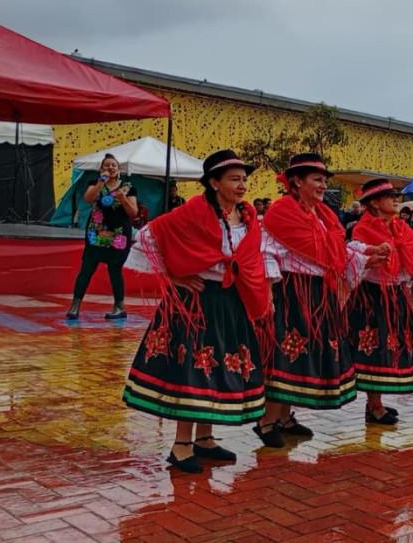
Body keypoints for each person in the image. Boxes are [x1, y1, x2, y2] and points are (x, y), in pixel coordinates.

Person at [121, 149, 271, 473]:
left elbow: (253, 259)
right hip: (197, 303)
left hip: (230, 303)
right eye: (234, 179)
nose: (242, 185)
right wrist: (173, 276)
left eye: (244, 179)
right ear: (214, 183)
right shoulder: (192, 214)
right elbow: (148, 236)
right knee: (193, 371)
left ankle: (205, 439)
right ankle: (181, 445)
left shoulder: (247, 218)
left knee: (215, 371)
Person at [255, 153, 385, 448]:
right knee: (286, 353)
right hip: (291, 291)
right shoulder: (281, 213)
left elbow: (333, 254)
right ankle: (267, 420)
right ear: (297, 182)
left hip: (318, 292)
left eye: (325, 179)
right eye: (317, 179)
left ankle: (285, 417)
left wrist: (366, 256)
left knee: (304, 354)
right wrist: (268, 294)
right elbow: (266, 254)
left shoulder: (323, 216)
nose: (323, 185)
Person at [345, 178, 413, 424]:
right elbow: (356, 251)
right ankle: (374, 405)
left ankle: (376, 403)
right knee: (375, 348)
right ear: (374, 203)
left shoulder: (401, 228)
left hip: (396, 294)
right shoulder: (363, 228)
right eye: (389, 196)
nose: (395, 199)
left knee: (389, 347)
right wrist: (372, 255)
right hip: (372, 295)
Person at [66, 153, 138, 320]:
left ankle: (119, 307)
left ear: (118, 169)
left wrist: (122, 198)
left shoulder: (128, 187)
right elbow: (88, 198)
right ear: (101, 169)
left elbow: (133, 213)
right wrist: (101, 181)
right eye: (106, 165)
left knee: (115, 270)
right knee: (87, 269)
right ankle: (75, 305)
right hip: (96, 232)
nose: (110, 168)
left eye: (113, 165)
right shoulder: (95, 183)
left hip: (119, 234)